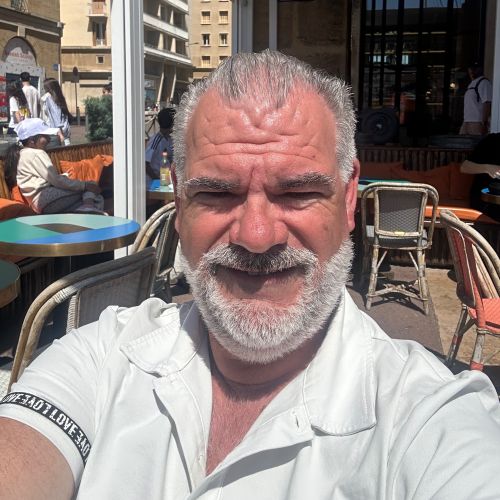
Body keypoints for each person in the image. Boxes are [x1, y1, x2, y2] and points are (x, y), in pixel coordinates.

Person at [1, 51, 500, 499]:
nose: (257, 236)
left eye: (297, 193)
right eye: (217, 194)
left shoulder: (428, 418)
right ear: (180, 204)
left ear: (348, 199)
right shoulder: (101, 358)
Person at [4, 118, 104, 215]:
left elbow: (43, 178)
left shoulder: (23, 154)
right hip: (47, 198)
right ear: (31, 141)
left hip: (39, 204)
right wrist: (84, 185)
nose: (48, 139)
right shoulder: (37, 153)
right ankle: (88, 208)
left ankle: (85, 209)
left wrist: (64, 176)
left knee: (90, 199)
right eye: (44, 136)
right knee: (92, 188)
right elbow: (56, 180)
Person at [460, 62, 492, 135]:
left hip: (477, 121)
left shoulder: (484, 82)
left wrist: (484, 123)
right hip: (466, 121)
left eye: (474, 69)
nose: (471, 71)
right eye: (471, 69)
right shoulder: (472, 83)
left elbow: (487, 103)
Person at [145, 107, 175, 182]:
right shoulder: (156, 140)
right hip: (154, 183)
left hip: (165, 179)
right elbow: (145, 163)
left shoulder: (170, 140)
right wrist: (156, 179)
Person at [40, 78, 71, 146]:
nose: (44, 89)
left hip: (55, 133)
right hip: (64, 132)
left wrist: (60, 133)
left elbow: (55, 116)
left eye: (45, 87)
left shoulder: (49, 98)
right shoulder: (59, 97)